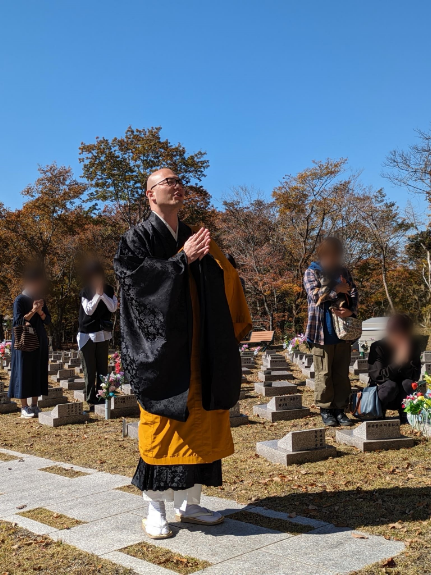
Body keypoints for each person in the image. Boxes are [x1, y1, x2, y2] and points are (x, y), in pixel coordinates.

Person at [114, 167, 251, 539]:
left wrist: (214, 264)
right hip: (162, 354)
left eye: (178, 181)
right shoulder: (137, 237)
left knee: (203, 422)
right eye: (167, 182)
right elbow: (134, 284)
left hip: (200, 346)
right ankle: (155, 508)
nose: (176, 186)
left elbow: (226, 277)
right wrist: (181, 261)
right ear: (150, 195)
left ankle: (190, 504)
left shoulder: (195, 235)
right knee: (163, 427)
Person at [304, 236, 358, 427]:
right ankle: (326, 409)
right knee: (324, 373)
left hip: (343, 332)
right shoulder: (312, 272)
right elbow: (315, 295)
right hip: (320, 331)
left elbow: (353, 293)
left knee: (341, 373)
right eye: (330, 254)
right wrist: (337, 289)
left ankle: (341, 409)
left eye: (336, 255)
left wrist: (351, 310)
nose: (334, 259)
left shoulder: (343, 271)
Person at [8, 268, 51, 418]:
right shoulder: (20, 299)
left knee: (37, 370)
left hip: (39, 339)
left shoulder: (39, 298)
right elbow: (18, 321)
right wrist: (33, 310)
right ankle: (24, 407)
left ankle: (34, 405)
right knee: (24, 371)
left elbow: (48, 320)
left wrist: (40, 311)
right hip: (23, 341)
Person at [77, 262, 117, 412]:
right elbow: (88, 310)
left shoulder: (109, 289)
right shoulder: (85, 291)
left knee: (102, 368)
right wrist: (97, 295)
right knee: (90, 369)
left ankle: (103, 396)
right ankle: (90, 398)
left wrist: (103, 295)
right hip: (87, 335)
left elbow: (113, 307)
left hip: (103, 334)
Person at [368, 313, 421, 423]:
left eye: (405, 335)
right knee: (390, 386)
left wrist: (405, 362)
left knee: (409, 384)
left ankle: (405, 412)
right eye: (397, 335)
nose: (401, 339)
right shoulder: (378, 347)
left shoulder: (413, 346)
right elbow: (378, 376)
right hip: (385, 391)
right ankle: (379, 411)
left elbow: (415, 375)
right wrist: (397, 363)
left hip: (402, 392)